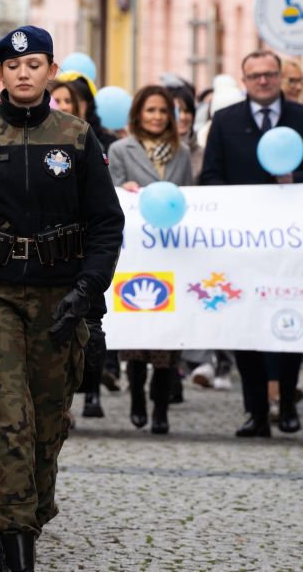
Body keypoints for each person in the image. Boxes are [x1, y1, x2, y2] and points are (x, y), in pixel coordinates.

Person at [0, 25, 124, 570]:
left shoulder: (76, 137)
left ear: (51, 71)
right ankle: (13, 544)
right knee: (5, 421)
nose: (24, 75)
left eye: (35, 65)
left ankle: (24, 517)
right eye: (14, 67)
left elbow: (106, 223)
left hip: (59, 300)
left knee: (47, 427)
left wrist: (89, 290)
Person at [200, 50, 303, 438]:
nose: (264, 81)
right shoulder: (225, 120)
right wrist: (241, 203)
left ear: (280, 76)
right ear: (244, 80)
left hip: (291, 240)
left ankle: (287, 405)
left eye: (271, 74)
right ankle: (254, 411)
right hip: (242, 242)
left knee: (289, 318)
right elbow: (211, 177)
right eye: (256, 76)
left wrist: (295, 181)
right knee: (245, 325)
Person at [108, 85, 195, 435]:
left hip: (170, 254)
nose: (157, 117)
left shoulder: (182, 152)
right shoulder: (120, 150)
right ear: (138, 115)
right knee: (136, 337)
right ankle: (137, 399)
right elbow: (108, 195)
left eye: (163, 111)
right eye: (150, 110)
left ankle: (161, 408)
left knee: (165, 342)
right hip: (136, 257)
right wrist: (125, 190)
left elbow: (191, 197)